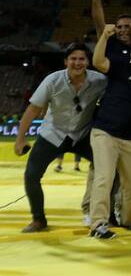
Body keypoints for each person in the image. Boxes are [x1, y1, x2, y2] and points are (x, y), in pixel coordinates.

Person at [15, 43, 108, 233]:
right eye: (73, 59)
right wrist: (20, 139)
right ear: (66, 61)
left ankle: (102, 215)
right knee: (31, 175)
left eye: (82, 59)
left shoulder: (100, 80)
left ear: (88, 62)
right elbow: (33, 109)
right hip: (53, 134)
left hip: (82, 135)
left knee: (108, 170)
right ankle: (38, 219)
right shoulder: (52, 80)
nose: (77, 63)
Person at [89, 26, 131, 239]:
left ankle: (128, 220)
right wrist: (104, 36)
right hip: (105, 133)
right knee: (104, 177)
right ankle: (98, 224)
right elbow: (98, 62)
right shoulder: (120, 67)